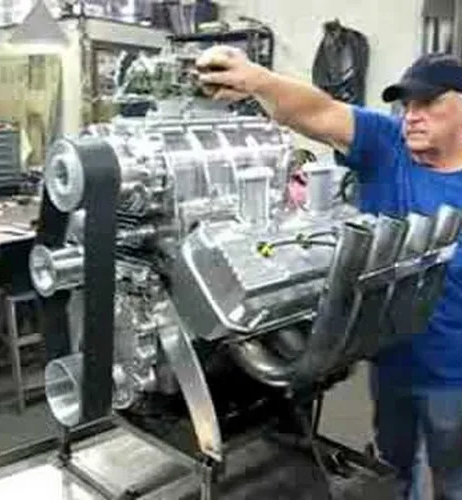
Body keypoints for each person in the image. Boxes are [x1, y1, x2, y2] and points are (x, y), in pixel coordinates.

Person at [196, 46, 462, 499]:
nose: (412, 116)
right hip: (391, 360)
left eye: (429, 103)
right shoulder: (387, 146)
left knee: (452, 477)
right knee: (392, 470)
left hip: (453, 372)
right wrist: (258, 80)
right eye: (407, 104)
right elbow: (317, 111)